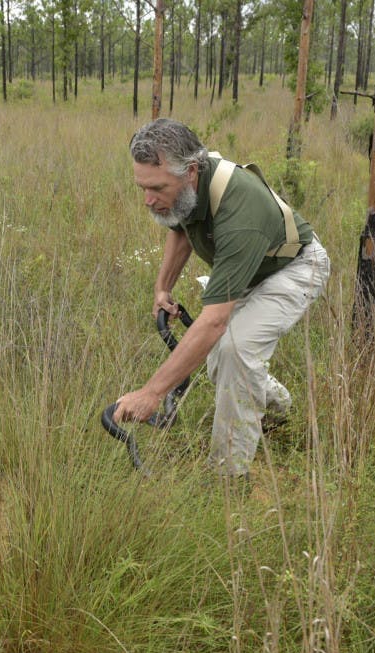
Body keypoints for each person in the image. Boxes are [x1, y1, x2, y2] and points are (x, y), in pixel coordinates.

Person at [113, 119, 331, 478]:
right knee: (219, 360)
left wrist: (151, 393)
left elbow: (214, 322)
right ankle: (278, 409)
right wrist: (162, 288)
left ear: (191, 171)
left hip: (294, 269)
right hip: (249, 266)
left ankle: (228, 478)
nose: (148, 200)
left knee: (233, 350)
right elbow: (180, 227)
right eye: (142, 187)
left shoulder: (239, 208)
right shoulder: (186, 187)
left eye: (156, 188)